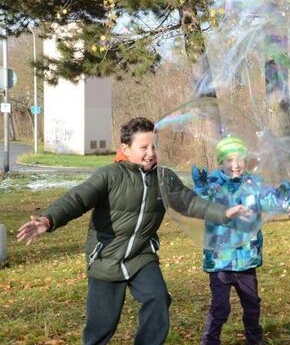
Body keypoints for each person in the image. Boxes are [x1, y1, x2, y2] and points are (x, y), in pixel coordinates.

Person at [16, 117, 235, 345]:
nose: (151, 153)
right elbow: (77, 199)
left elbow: (190, 202)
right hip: (106, 257)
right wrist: (48, 220)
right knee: (101, 326)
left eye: (154, 146)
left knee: (157, 298)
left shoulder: (164, 178)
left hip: (141, 255)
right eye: (143, 147)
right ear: (125, 149)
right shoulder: (110, 175)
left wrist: (224, 213)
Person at [192, 136, 290, 345]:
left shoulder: (253, 184)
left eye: (239, 159)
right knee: (220, 308)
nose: (235, 165)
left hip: (246, 259)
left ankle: (254, 340)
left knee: (252, 304)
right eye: (229, 160)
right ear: (221, 162)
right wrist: (201, 188)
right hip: (220, 260)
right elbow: (199, 206)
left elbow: (268, 201)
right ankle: (209, 341)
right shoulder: (212, 184)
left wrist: (280, 196)